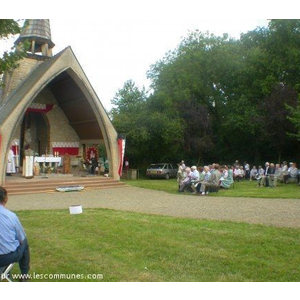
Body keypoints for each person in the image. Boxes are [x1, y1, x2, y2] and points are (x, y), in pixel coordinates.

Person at [0, 187, 30, 280]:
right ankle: (24, 276)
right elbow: (21, 237)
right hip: (6, 257)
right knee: (24, 242)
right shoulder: (11, 216)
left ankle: (7, 273)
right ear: (6, 199)